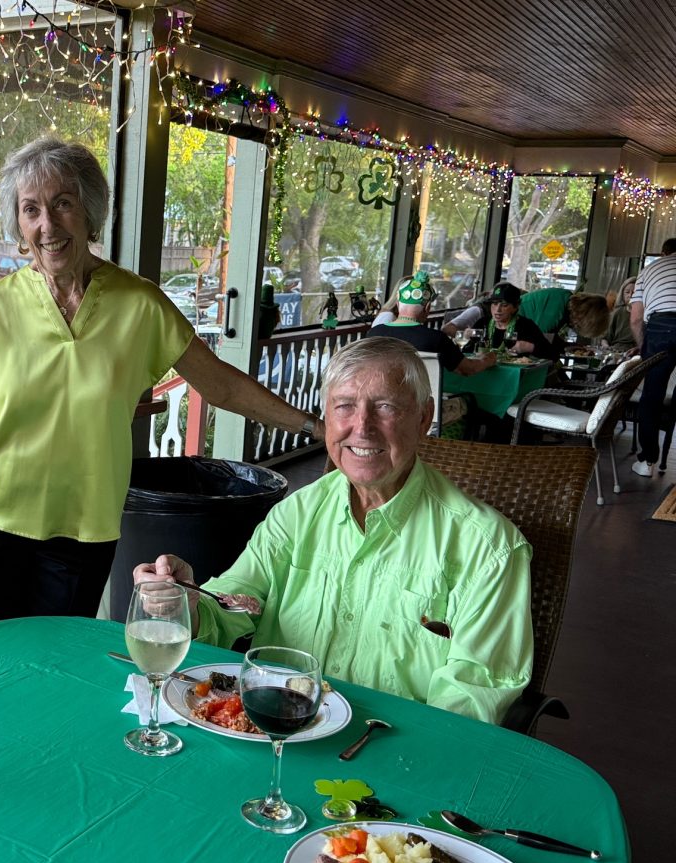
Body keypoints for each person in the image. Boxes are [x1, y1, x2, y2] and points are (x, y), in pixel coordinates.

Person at [0, 137, 323, 628]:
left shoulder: (139, 304)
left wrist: (314, 427)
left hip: (84, 528)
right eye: (31, 210)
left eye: (63, 204)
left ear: (90, 213)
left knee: (62, 658)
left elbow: (221, 386)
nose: (48, 225)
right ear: (19, 226)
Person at [134, 338, 534, 724]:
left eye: (386, 407)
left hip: (389, 748)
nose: (362, 427)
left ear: (424, 417)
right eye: (345, 406)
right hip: (275, 726)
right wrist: (186, 605)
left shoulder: (488, 547)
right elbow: (234, 604)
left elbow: (470, 701)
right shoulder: (297, 513)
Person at [367, 272, 496, 375]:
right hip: (421, 400)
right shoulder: (436, 339)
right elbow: (467, 369)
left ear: (397, 304)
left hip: (380, 398)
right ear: (427, 307)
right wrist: (487, 360)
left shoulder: (374, 333)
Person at [629, 237, 676, 477]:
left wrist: (643, 348)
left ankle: (647, 462)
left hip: (661, 327)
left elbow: (636, 318)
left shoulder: (650, 269)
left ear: (663, 253)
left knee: (652, 395)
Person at [472, 281, 558, 360]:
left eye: (504, 305)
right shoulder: (482, 323)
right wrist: (468, 336)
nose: (497, 309)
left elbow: (553, 354)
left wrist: (529, 347)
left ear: (515, 307)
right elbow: (468, 350)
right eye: (494, 303)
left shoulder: (526, 326)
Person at [605, 276, 638, 352]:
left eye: (634, 292)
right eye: (627, 292)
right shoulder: (617, 312)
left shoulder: (645, 314)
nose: (630, 295)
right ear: (622, 294)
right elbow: (605, 339)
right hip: (616, 350)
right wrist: (607, 347)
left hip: (636, 351)